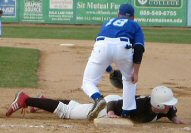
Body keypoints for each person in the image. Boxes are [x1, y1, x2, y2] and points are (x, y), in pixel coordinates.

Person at [81, 3, 145, 120]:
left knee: (88, 82)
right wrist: (135, 73)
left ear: (118, 14)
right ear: (133, 17)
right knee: (129, 80)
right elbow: (139, 48)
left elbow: (104, 48)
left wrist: (110, 70)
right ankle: (126, 113)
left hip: (101, 45)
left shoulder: (108, 23)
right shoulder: (135, 25)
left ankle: (98, 98)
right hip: (123, 47)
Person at [5, 86, 186, 124]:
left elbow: (171, 112)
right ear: (158, 106)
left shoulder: (163, 108)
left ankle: (43, 100)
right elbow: (114, 103)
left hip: (118, 101)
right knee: (70, 112)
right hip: (110, 105)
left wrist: (174, 118)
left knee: (78, 106)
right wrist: (112, 114)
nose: (170, 107)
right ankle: (25, 99)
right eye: (167, 106)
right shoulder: (138, 106)